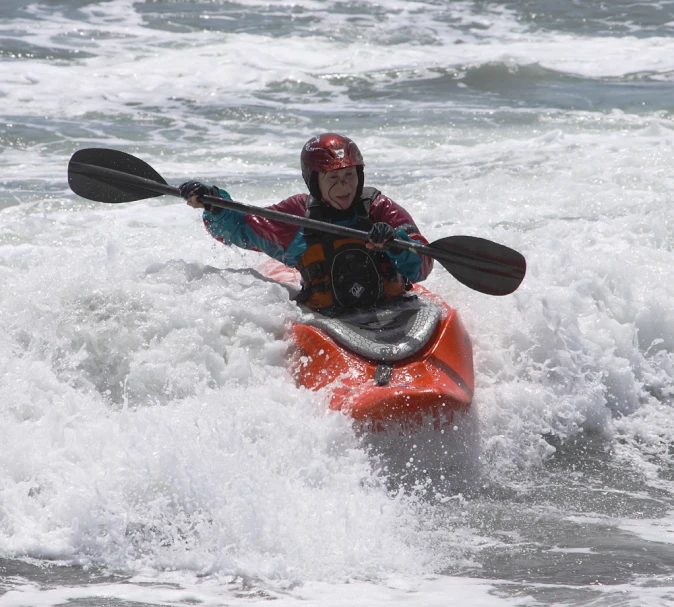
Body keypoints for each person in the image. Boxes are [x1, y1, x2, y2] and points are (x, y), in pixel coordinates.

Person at [180, 133, 433, 313]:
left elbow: (422, 267)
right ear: (314, 182)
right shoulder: (297, 215)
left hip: (396, 308)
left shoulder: (380, 208)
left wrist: (398, 244)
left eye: (349, 175)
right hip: (329, 319)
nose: (344, 185)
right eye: (333, 177)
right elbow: (238, 229)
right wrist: (215, 204)